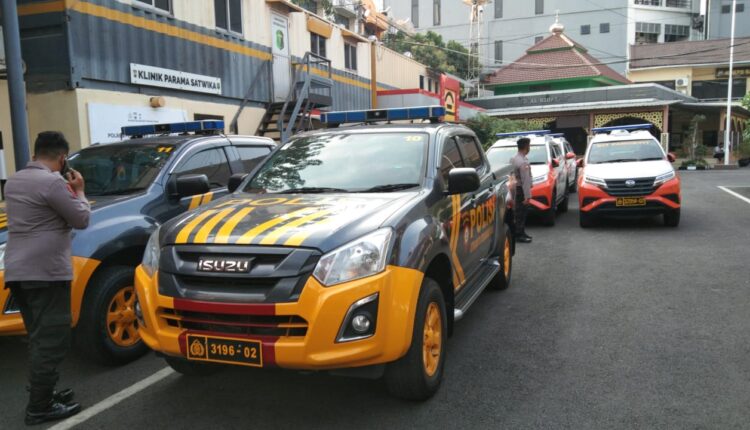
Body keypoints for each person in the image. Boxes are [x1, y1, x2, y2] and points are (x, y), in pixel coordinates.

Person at [4, 131, 90, 425]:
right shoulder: (53, 182)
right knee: (52, 340)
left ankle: (46, 391)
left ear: (34, 155)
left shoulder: (14, 180)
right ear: (63, 158)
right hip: (46, 273)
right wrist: (79, 191)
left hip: (19, 271)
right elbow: (81, 218)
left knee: (39, 337)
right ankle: (39, 406)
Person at [511, 137, 533, 243]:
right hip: (521, 190)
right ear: (526, 147)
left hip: (516, 189)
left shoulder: (514, 158)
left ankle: (521, 232)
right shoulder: (522, 161)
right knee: (521, 213)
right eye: (529, 146)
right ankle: (519, 234)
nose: (529, 148)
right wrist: (527, 196)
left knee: (518, 212)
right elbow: (525, 180)